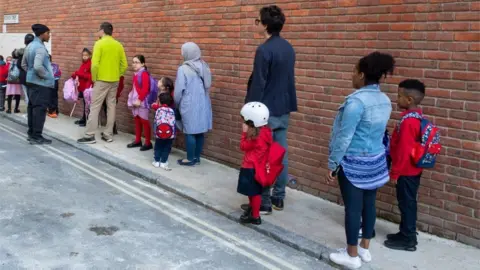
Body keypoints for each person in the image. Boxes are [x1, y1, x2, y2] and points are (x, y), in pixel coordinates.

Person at [326, 52, 395, 269]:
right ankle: (364, 249)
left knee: (353, 209)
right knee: (369, 205)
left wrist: (333, 163)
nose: (352, 75)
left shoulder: (355, 102)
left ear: (362, 74)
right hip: (375, 161)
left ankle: (352, 255)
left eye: (354, 72)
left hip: (353, 162)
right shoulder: (385, 100)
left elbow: (344, 137)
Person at [242, 5, 297, 214]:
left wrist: (250, 116)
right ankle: (279, 197)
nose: (256, 25)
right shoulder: (288, 47)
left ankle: (264, 201)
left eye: (257, 21)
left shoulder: (264, 49)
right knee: (280, 153)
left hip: (265, 111)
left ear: (265, 24)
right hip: (284, 108)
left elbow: (258, 83)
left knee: (262, 156)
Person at [384, 79, 426, 252]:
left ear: (409, 100)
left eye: (399, 96)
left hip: (406, 171)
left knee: (407, 203)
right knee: (406, 202)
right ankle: (404, 232)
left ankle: (409, 240)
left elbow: (403, 151)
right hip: (412, 169)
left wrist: (395, 173)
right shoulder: (416, 117)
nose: (397, 99)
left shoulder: (408, 122)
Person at [77, 22, 127, 144]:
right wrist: (117, 74)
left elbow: (95, 65)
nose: (98, 32)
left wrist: (95, 78)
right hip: (114, 79)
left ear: (102, 31)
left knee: (95, 107)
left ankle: (89, 135)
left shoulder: (99, 43)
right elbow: (124, 65)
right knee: (111, 106)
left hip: (101, 80)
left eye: (98, 30)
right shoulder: (118, 45)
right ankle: (108, 134)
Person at [174, 42, 212, 166]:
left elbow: (179, 90)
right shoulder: (204, 65)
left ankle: (189, 159)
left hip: (189, 103)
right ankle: (196, 157)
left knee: (189, 131)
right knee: (200, 131)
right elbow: (208, 84)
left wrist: (176, 103)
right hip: (203, 102)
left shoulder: (183, 69)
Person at [237, 102, 272, 225]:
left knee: (254, 193)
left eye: (246, 121)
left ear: (252, 122)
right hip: (259, 167)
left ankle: (255, 216)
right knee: (254, 192)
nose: (244, 123)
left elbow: (242, 146)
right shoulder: (265, 132)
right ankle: (253, 209)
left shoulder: (255, 139)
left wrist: (244, 133)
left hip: (250, 168)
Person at [21, 24, 54, 145]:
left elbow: (24, 65)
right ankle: (37, 136)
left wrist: (30, 74)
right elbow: (37, 66)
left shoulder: (30, 45)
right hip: (41, 84)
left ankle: (31, 134)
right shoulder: (40, 47)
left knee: (32, 108)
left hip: (30, 81)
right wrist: (47, 76)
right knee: (39, 109)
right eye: (48, 33)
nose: (49, 35)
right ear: (42, 34)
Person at [126, 55, 152, 151]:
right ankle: (138, 141)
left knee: (144, 121)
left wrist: (139, 100)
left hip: (142, 102)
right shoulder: (136, 73)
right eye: (133, 62)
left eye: (137, 62)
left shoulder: (144, 74)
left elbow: (145, 89)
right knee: (137, 120)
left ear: (143, 64)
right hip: (135, 101)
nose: (134, 64)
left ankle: (148, 143)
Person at [152, 92, 176, 171]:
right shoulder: (172, 111)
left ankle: (156, 161)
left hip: (160, 133)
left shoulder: (158, 110)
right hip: (169, 135)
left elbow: (155, 121)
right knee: (166, 148)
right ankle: (163, 162)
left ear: (160, 101)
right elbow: (173, 123)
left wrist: (155, 132)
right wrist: (173, 134)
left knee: (158, 147)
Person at [72, 48, 93, 126]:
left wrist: (80, 74)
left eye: (86, 55)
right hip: (82, 87)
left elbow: (91, 76)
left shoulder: (90, 64)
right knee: (84, 104)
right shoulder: (83, 63)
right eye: (83, 55)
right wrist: (75, 75)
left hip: (87, 88)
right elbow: (80, 73)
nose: (84, 57)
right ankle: (83, 119)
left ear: (90, 56)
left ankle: (86, 121)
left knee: (87, 105)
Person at [17, 34, 35, 109]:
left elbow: (19, 65)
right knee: (34, 95)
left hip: (24, 77)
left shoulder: (22, 52)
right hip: (34, 77)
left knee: (27, 96)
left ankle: (29, 113)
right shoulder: (36, 51)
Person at [6, 50, 23, 114]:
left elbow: (8, 70)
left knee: (10, 95)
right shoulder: (20, 62)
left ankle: (9, 109)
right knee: (17, 95)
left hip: (10, 80)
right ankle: (16, 109)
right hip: (18, 80)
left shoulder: (10, 62)